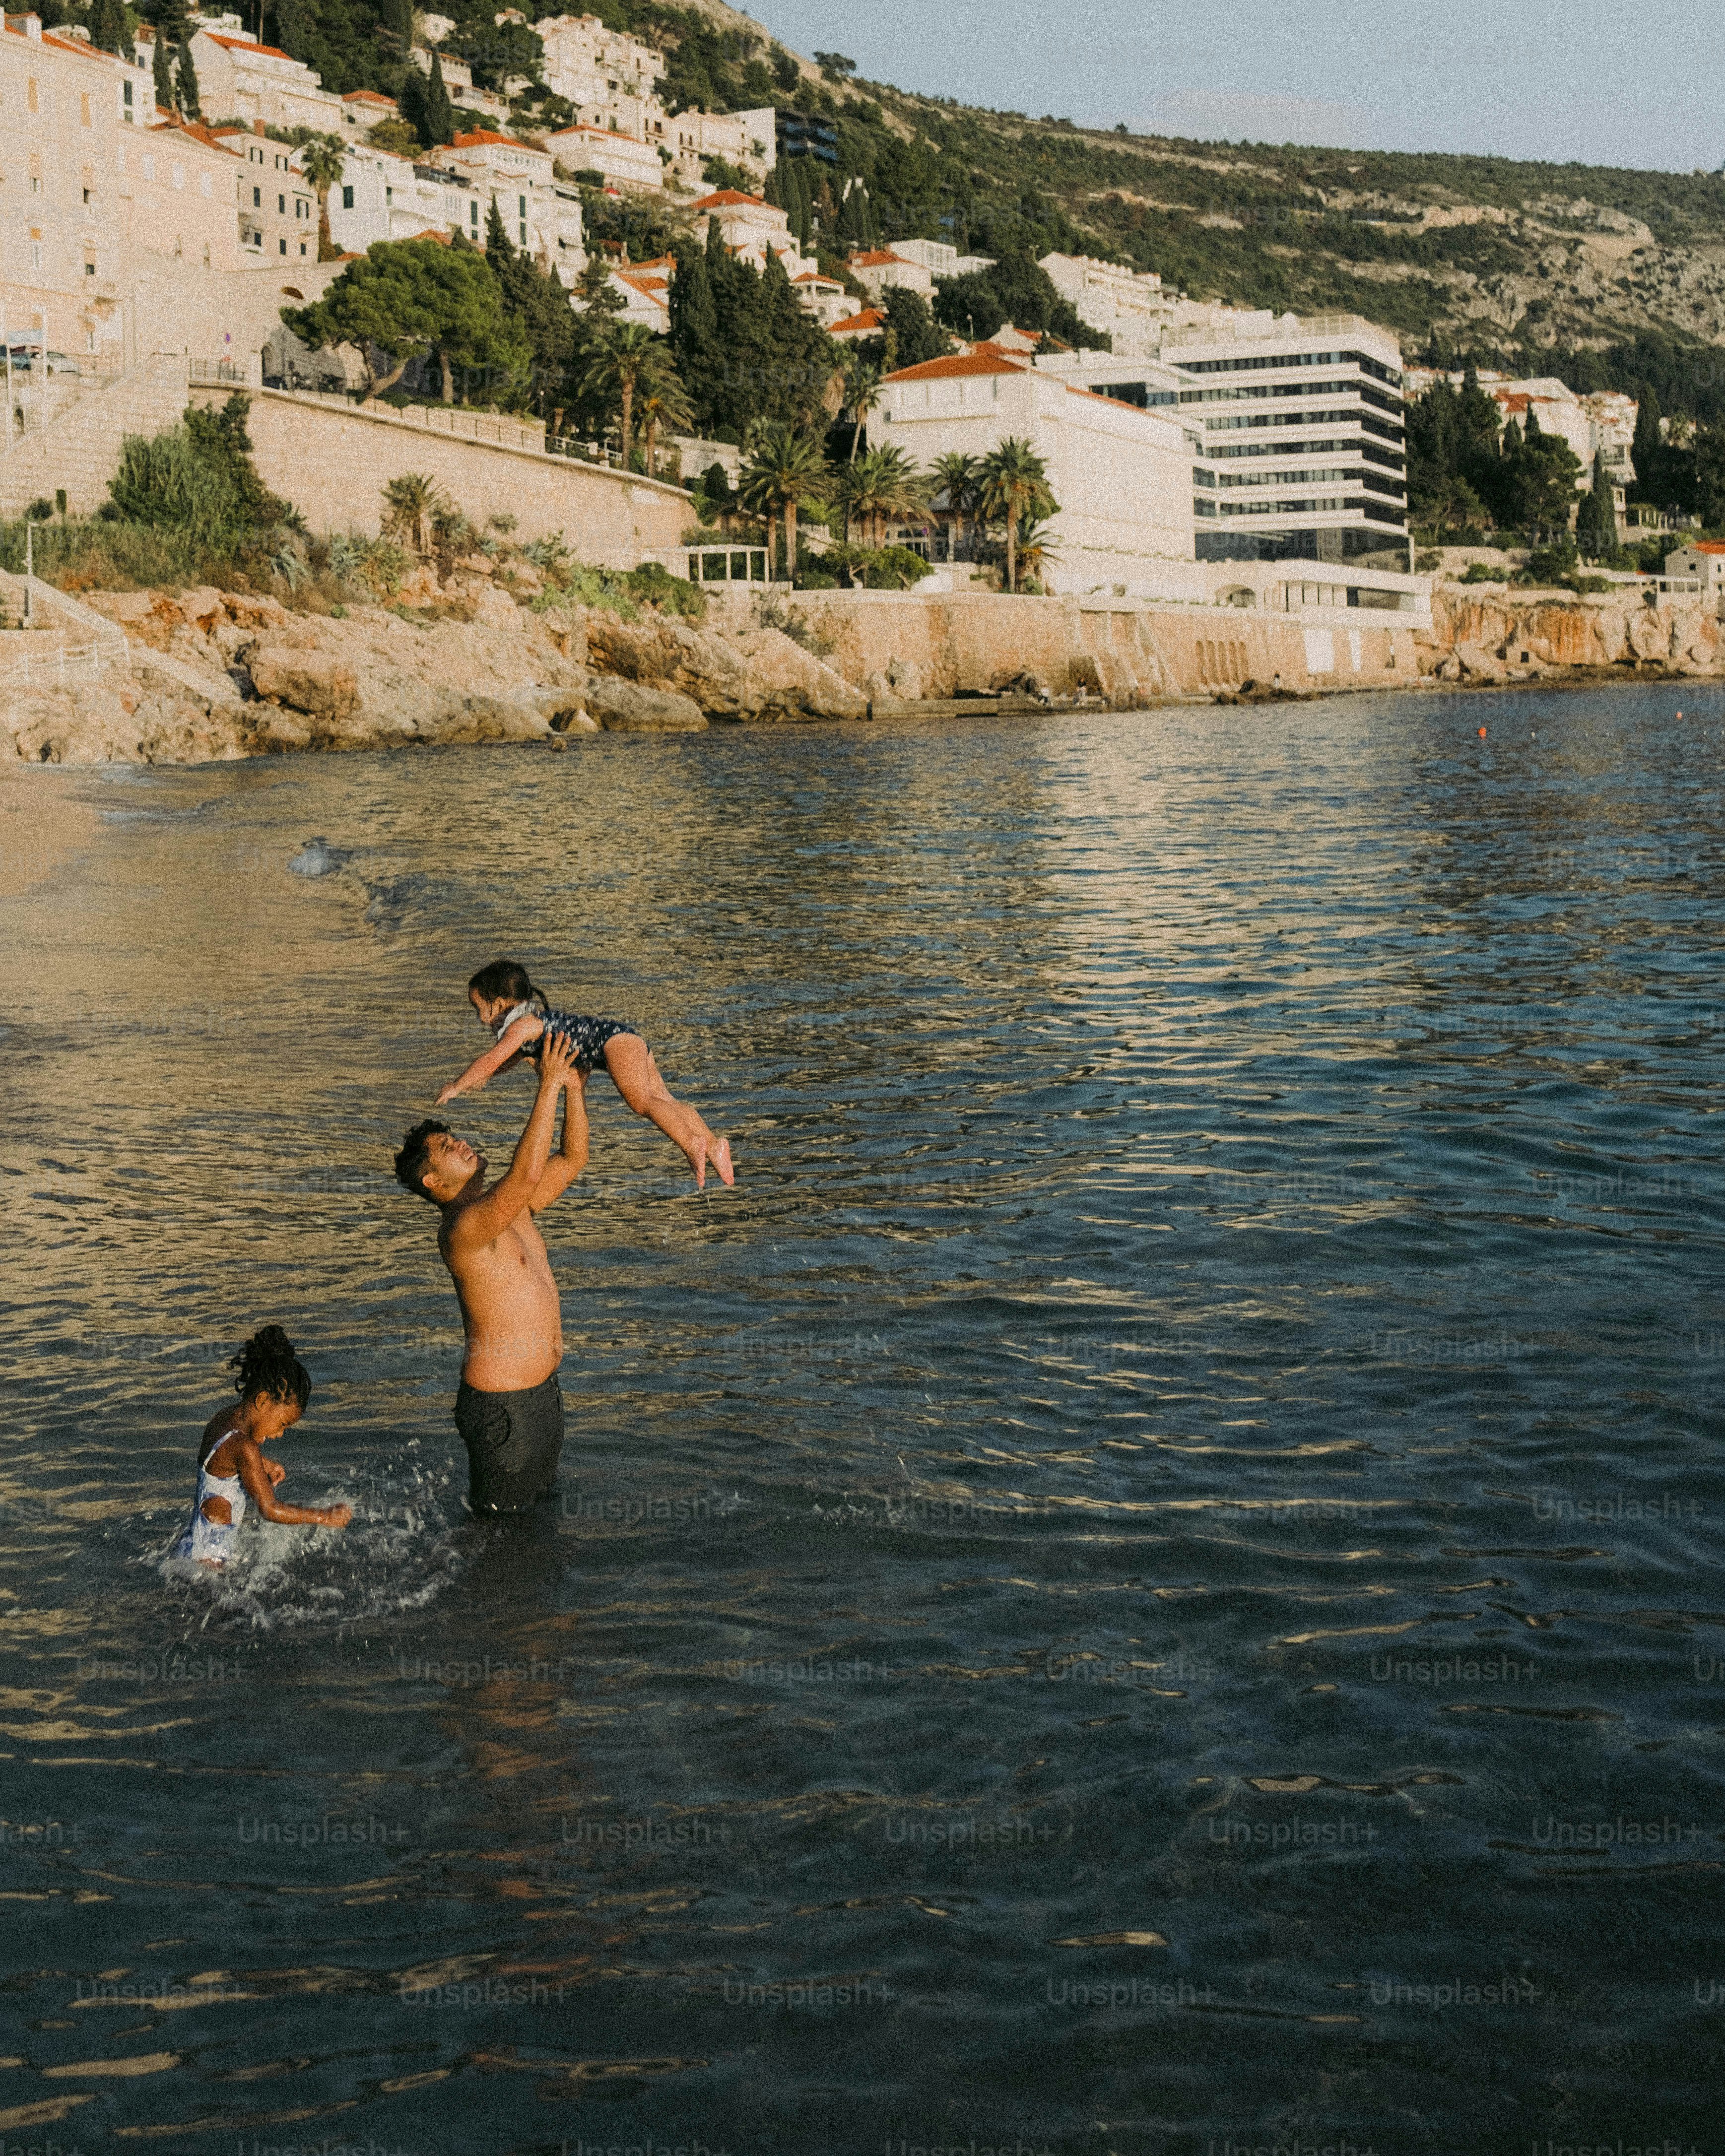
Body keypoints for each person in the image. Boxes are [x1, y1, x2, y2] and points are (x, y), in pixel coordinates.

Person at [394, 1030, 589, 1514]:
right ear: (433, 1181)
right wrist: (545, 1085)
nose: (460, 1142)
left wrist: (572, 1088)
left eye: (453, 1136)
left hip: (541, 1397)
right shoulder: (463, 1230)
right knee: (501, 1540)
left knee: (533, 1528)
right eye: (446, 1146)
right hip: (505, 1407)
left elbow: (571, 1160)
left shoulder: (506, 1210)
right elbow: (523, 1176)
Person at [436, 958, 734, 1191]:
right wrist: (479, 1082)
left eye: (479, 1009)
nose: (479, 1019)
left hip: (613, 1044)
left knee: (643, 1103)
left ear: (498, 1003)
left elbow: (491, 1059)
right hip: (625, 1040)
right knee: (663, 1099)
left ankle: (691, 1144)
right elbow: (502, 1064)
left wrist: (458, 1084)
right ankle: (712, 1143)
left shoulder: (522, 1026)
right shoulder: (528, 1027)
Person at [172, 1326, 351, 1566]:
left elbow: (220, 1460)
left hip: (194, 1549)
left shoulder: (224, 1420)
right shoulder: (244, 1446)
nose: (279, 1434)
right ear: (263, 1401)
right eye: (283, 1424)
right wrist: (325, 1517)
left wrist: (262, 1463)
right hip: (207, 1565)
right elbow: (270, 1510)